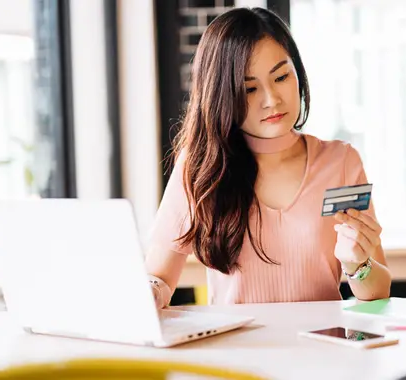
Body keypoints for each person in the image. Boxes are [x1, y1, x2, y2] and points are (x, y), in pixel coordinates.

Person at [145, 7, 391, 308]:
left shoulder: (340, 162)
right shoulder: (200, 168)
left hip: (322, 351)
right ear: (223, 95)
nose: (272, 99)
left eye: (281, 77)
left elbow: (379, 293)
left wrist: (358, 264)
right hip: (234, 353)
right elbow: (159, 279)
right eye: (249, 89)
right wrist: (146, 294)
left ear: (297, 72)